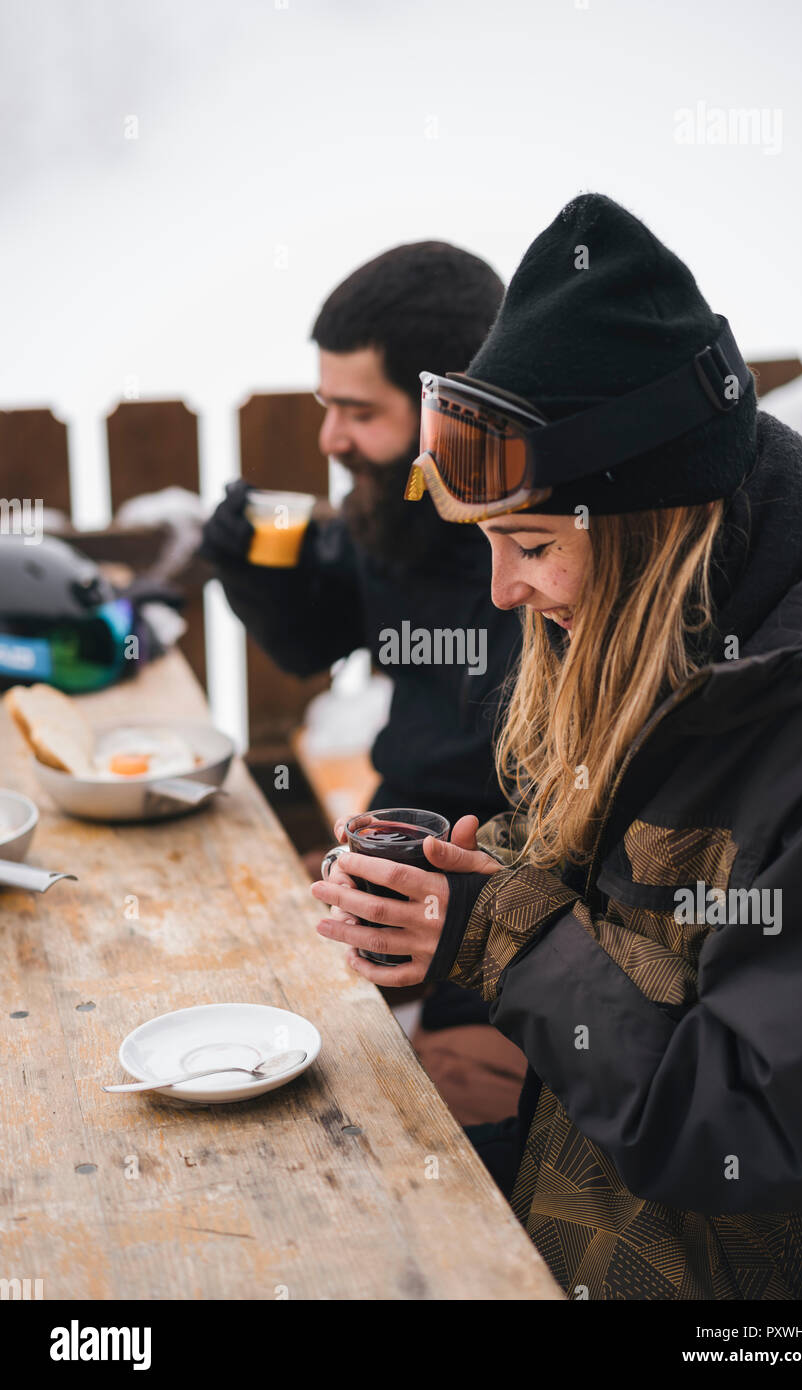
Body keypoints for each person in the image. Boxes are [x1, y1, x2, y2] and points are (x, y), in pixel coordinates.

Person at [311, 193, 802, 1299]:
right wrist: (461, 882)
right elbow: (622, 909)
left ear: (651, 529)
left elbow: (749, 1118)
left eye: (527, 543)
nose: (502, 587)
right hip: (582, 1197)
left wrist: (501, 936)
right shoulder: (660, 629)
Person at [199, 241, 526, 1124]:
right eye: (324, 406)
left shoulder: (542, 543)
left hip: (519, 890)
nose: (329, 438)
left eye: (357, 412)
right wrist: (256, 574)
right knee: (235, 971)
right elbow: (315, 640)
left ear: (449, 406)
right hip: (399, 840)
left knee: (421, 1121)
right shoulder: (396, 516)